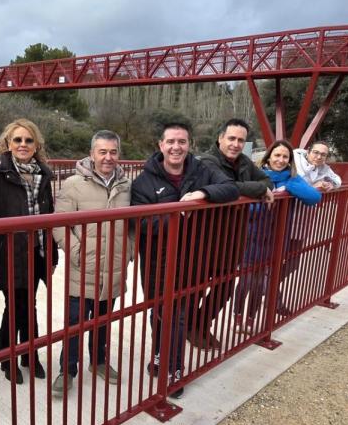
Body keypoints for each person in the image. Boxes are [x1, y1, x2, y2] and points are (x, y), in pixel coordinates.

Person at [131, 122, 238, 398]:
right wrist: (178, 214)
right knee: (158, 311)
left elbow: (230, 188)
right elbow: (142, 222)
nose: (176, 147)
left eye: (182, 142)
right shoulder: (144, 181)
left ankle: (174, 370)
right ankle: (158, 355)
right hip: (157, 262)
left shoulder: (202, 170)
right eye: (171, 142)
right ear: (161, 146)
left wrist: (203, 194)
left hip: (192, 259)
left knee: (178, 315)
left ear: (189, 145)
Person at [50, 130, 132, 396]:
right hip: (83, 268)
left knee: (103, 320)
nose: (108, 157)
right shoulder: (73, 184)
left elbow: (133, 225)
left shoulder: (127, 186)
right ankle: (67, 370)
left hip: (115, 268)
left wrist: (129, 251)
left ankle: (98, 362)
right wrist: (77, 252)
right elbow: (58, 225)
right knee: (75, 321)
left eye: (113, 152)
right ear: (91, 153)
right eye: (102, 151)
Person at [0, 119, 58, 385]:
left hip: (37, 252)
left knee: (30, 304)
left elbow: (48, 215)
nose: (23, 145)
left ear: (36, 145)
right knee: (13, 306)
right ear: (8, 144)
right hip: (9, 254)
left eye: (28, 140)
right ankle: (8, 358)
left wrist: (51, 253)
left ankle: (29, 354)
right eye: (18, 140)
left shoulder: (44, 175)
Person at [197, 118, 274, 345]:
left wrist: (260, 187)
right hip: (206, 237)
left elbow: (266, 179)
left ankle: (201, 324)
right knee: (196, 289)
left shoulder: (243, 162)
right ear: (220, 138)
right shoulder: (206, 161)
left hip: (232, 237)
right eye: (231, 138)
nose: (236, 144)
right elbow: (227, 187)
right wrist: (259, 189)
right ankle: (190, 328)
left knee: (225, 287)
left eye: (241, 140)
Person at [233, 140, 321, 330]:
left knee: (258, 282)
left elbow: (314, 197)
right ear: (268, 156)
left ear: (290, 161)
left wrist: (288, 188)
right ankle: (238, 316)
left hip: (273, 239)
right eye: (277, 155)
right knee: (247, 280)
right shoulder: (257, 176)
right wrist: (265, 198)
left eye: (285, 157)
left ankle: (250, 319)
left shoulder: (291, 178)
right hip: (252, 238)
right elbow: (248, 209)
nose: (280, 160)